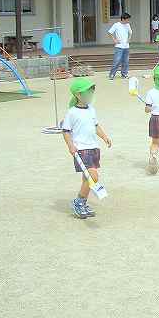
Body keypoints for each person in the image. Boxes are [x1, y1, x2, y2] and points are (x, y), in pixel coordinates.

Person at [61, 78, 112, 219]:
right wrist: (70, 145)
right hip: (81, 150)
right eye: (87, 92)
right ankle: (78, 202)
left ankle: (81, 203)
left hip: (93, 148)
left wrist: (104, 137)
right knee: (93, 176)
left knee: (86, 179)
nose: (90, 95)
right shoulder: (72, 113)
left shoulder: (91, 110)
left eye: (91, 92)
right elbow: (65, 131)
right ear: (78, 95)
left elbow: (96, 126)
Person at [107, 12, 132, 80]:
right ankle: (112, 74)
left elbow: (130, 33)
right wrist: (114, 40)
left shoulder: (128, 25)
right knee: (117, 61)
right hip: (119, 46)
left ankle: (124, 74)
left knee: (126, 61)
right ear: (123, 19)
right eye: (127, 19)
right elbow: (110, 32)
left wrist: (129, 39)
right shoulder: (116, 25)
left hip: (126, 46)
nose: (128, 21)